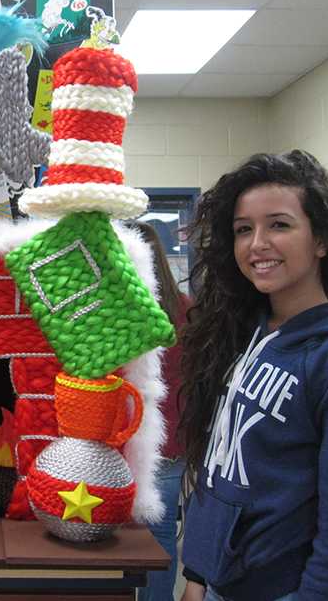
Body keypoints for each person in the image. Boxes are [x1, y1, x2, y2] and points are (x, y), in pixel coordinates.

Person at [177, 150, 328, 601]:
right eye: (243, 229)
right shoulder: (246, 335)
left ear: (322, 240)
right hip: (219, 585)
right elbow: (220, 467)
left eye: (279, 224)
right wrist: (197, 574)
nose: (257, 244)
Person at [133, 220, 192, 601]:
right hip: (172, 441)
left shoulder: (123, 312)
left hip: (129, 439)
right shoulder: (184, 308)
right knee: (161, 532)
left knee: (115, 533)